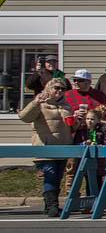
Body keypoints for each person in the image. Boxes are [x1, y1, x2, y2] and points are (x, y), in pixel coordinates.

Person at [18, 78, 73, 218]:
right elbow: (24, 117)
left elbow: (71, 127)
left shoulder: (67, 106)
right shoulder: (40, 104)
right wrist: (35, 102)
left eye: (62, 88)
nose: (59, 91)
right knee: (50, 175)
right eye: (56, 88)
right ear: (49, 88)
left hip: (63, 148)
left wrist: (77, 121)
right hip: (45, 147)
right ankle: (52, 206)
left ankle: (49, 206)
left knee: (58, 177)